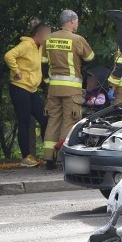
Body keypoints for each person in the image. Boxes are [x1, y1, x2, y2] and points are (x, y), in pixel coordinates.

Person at [43, 10, 95, 170]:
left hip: (53, 89)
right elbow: (90, 57)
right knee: (69, 121)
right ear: (72, 22)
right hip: (71, 89)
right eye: (77, 21)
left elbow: (44, 62)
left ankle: (48, 158)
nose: (77, 24)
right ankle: (62, 156)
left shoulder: (48, 38)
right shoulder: (77, 39)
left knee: (53, 120)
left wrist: (48, 82)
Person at [4, 22, 51, 167]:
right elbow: (8, 55)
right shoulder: (26, 45)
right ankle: (26, 157)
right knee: (24, 121)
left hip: (32, 89)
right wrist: (16, 72)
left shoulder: (40, 48)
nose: (48, 38)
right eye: (47, 34)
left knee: (45, 119)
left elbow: (43, 61)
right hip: (20, 88)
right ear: (39, 34)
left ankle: (49, 155)